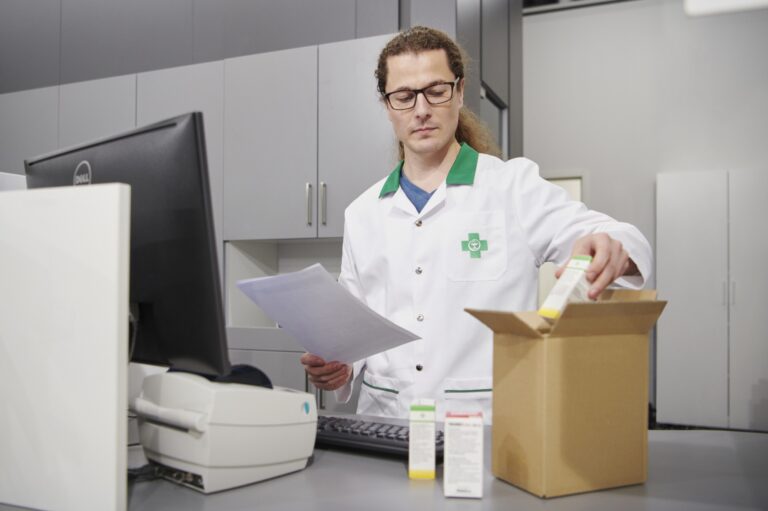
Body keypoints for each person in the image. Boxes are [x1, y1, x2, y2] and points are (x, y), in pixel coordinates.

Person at [301, 26, 651, 423]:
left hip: (484, 425)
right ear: (387, 104)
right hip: (386, 422)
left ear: (460, 91)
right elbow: (353, 330)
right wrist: (340, 366)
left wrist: (612, 247)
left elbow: (614, 234)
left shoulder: (512, 186)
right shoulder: (363, 213)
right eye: (404, 96)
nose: (421, 109)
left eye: (436, 91)